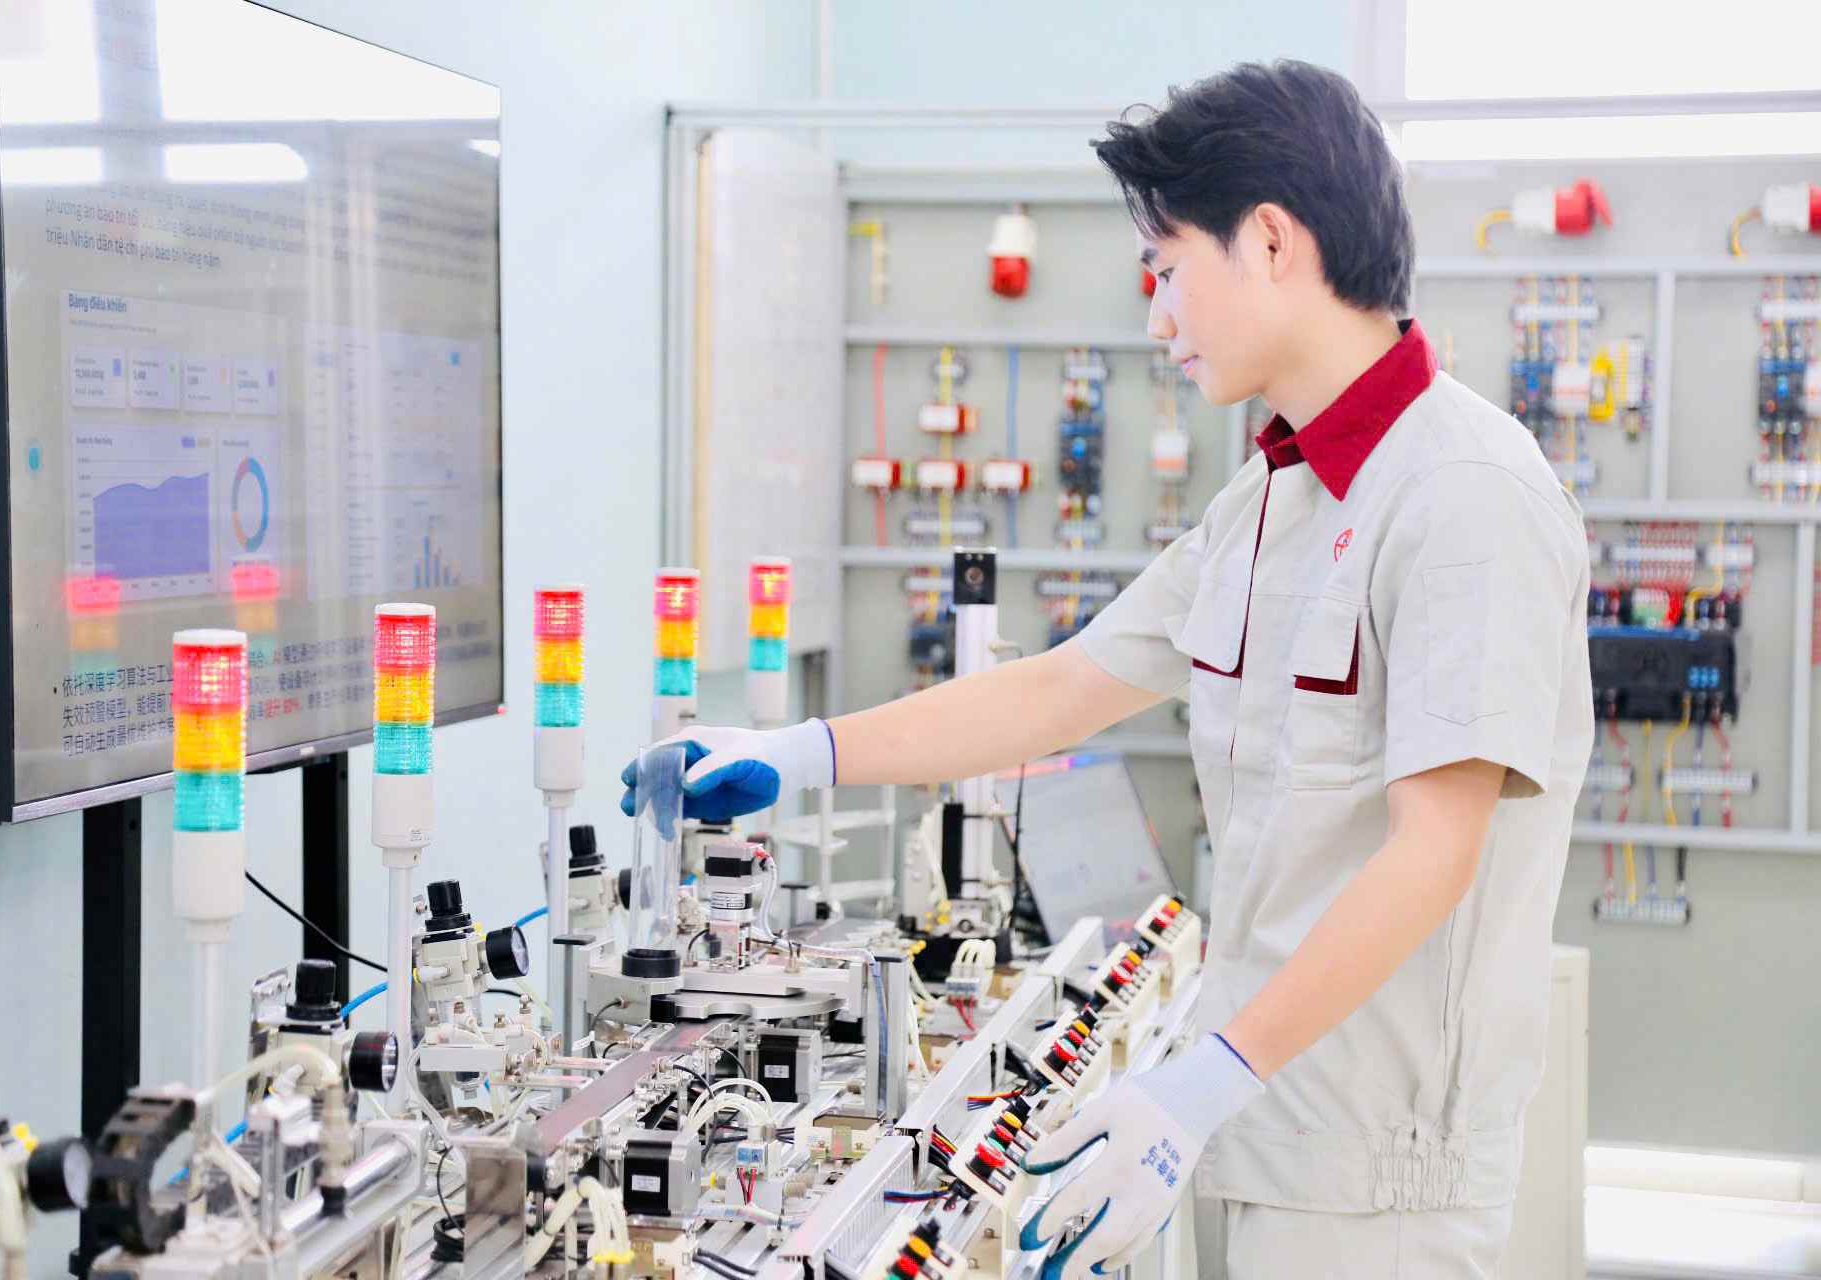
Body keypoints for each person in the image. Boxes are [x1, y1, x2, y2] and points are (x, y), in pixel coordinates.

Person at [621, 60, 1592, 1280]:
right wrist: (793, 753)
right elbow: (1064, 686)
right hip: (1259, 1126)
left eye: (1169, 267)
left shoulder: (1464, 495)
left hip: (1376, 1176)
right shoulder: (1272, 498)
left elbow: (1432, 851)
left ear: (1273, 242)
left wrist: (1206, 1078)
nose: (1157, 318)